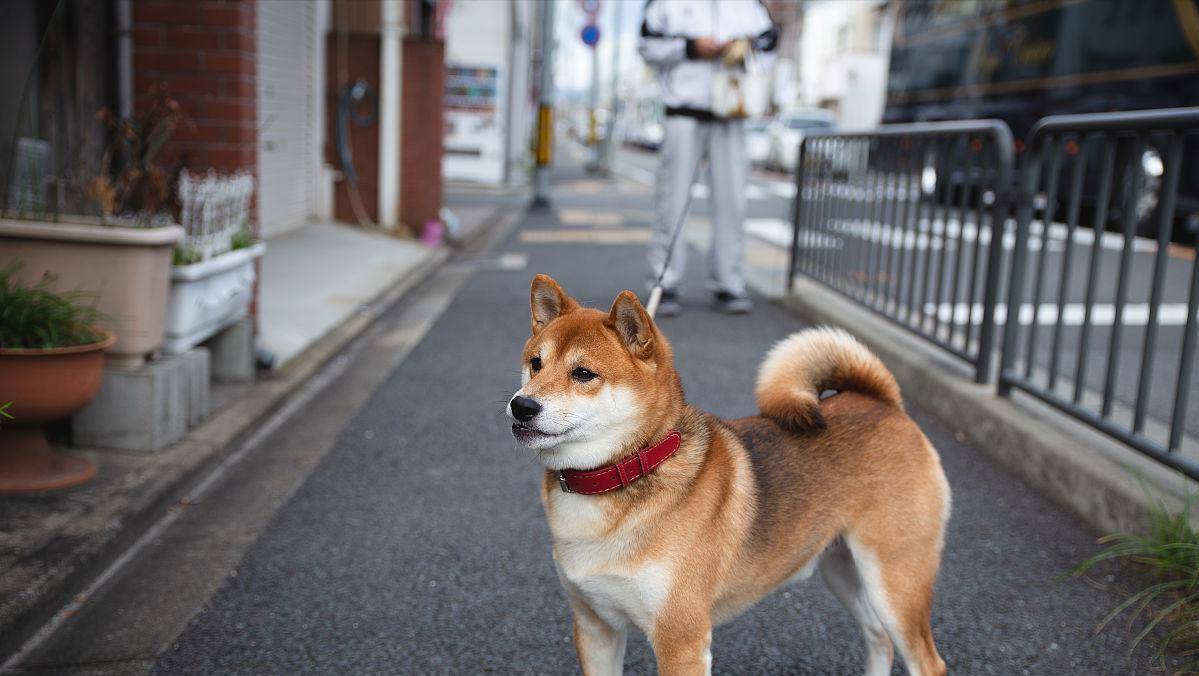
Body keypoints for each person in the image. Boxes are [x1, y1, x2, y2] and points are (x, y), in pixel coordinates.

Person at [638, 0, 778, 316]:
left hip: (732, 110)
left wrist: (744, 46)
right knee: (671, 201)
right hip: (683, 111)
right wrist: (689, 47)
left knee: (732, 202)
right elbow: (646, 43)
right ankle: (665, 282)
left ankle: (729, 283)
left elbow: (770, 41)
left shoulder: (749, 5)